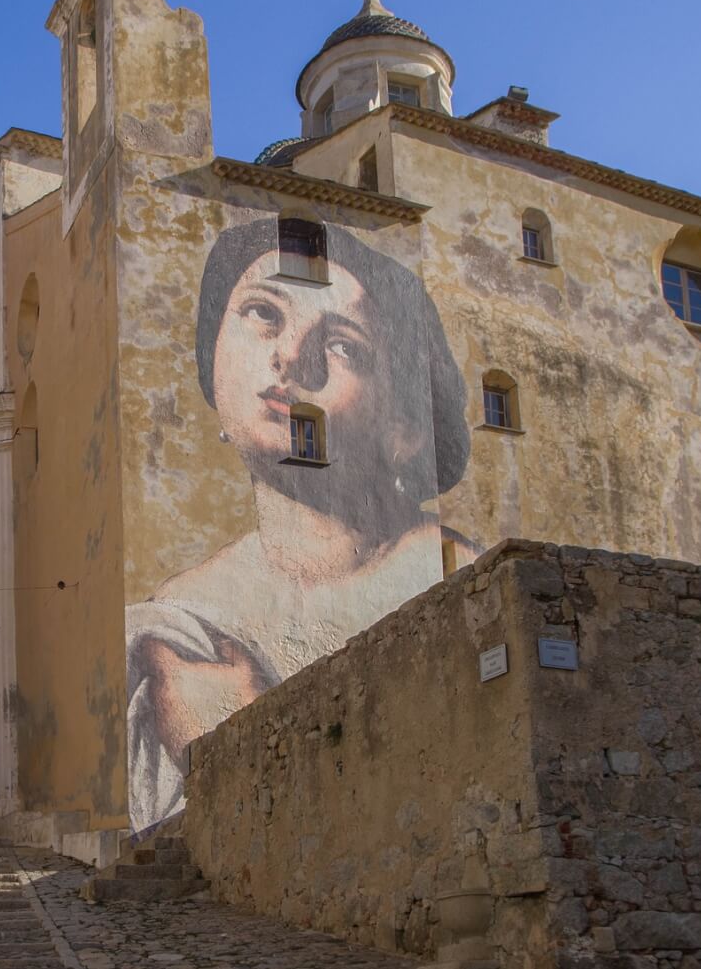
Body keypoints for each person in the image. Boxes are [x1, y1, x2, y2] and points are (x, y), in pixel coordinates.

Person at [126, 217, 475, 828]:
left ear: (406, 430)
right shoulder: (176, 620)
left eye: (343, 346)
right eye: (264, 313)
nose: (290, 354)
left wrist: (250, 725)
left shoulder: (449, 576)